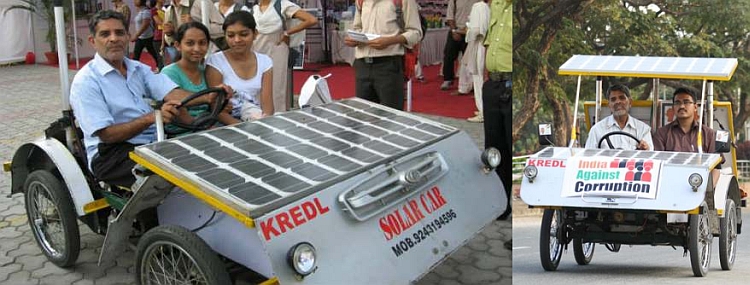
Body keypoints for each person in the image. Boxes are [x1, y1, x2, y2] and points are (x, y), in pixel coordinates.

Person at [70, 10, 227, 187]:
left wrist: (209, 97)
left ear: (128, 37)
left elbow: (171, 93)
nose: (114, 39)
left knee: (208, 155)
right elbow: (107, 135)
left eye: (119, 33)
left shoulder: (138, 68)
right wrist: (152, 117)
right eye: (105, 34)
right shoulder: (86, 81)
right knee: (172, 174)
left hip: (151, 144)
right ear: (93, 41)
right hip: (110, 154)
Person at [344, 0, 423, 111]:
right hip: (362, 65)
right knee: (364, 115)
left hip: (389, 65)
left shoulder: (403, 1)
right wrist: (354, 38)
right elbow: (357, 27)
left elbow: (416, 33)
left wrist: (390, 41)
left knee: (392, 116)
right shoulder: (360, 1)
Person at [162, 21, 238, 133]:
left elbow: (218, 107)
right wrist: (206, 128)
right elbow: (179, 112)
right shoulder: (169, 73)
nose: (197, 49)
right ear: (178, 46)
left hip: (209, 128)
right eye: (190, 43)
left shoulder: (207, 70)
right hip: (185, 133)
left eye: (202, 43)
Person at [206, 10, 274, 121]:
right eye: (231, 35)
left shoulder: (265, 62)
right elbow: (216, 109)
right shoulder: (215, 61)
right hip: (226, 125)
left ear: (255, 34)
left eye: (244, 34)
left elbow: (268, 106)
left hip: (255, 119)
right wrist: (243, 129)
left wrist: (264, 124)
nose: (237, 40)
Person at [482, 0, 511, 250]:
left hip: (513, 84)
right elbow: (490, 44)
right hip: (493, 85)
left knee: (511, 150)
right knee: (493, 148)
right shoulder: (498, 4)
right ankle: (500, 204)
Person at [252, 0, 318, 112]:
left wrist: (288, 32)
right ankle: (258, 115)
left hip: (277, 51)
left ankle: (277, 117)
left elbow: (311, 20)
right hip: (257, 51)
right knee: (257, 86)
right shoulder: (254, 9)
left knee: (277, 86)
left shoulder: (282, 5)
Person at [584, 84, 653, 150]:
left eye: (622, 98)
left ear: (630, 102)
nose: (618, 102)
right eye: (613, 99)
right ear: (609, 105)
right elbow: (589, 157)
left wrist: (645, 148)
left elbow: (649, 156)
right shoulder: (597, 130)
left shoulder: (643, 129)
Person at [654, 87, 719, 154]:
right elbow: (657, 161)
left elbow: (716, 162)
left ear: (695, 107)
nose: (682, 106)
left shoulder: (708, 134)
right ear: (673, 108)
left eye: (686, 102)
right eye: (677, 103)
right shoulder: (662, 134)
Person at [440, 0, 480, 91]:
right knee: (448, 56)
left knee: (470, 60)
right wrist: (454, 31)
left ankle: (470, 83)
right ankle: (448, 79)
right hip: (456, 31)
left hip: (471, 33)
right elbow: (450, 17)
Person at [461, 0, 489, 122]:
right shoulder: (489, 7)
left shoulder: (478, 6)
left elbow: (477, 30)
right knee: (480, 78)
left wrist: (467, 31)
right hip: (484, 45)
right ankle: (483, 109)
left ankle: (483, 111)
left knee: (478, 79)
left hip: (479, 45)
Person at [132, 0, 163, 70]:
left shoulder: (146, 11)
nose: (134, 1)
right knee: (136, 55)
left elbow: (145, 24)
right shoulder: (140, 11)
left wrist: (136, 35)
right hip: (141, 37)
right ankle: (133, 69)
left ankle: (160, 66)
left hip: (147, 37)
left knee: (154, 53)